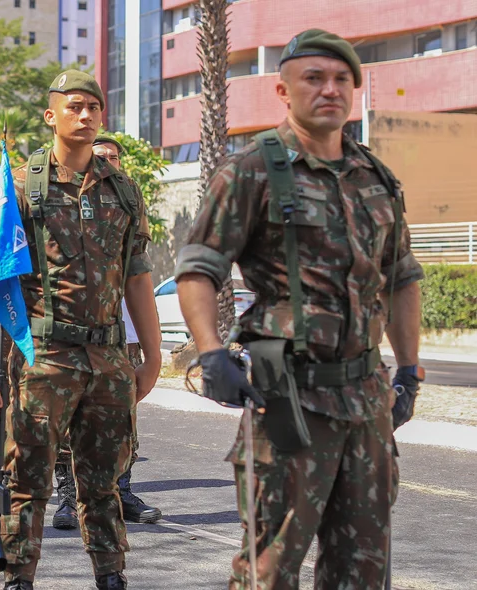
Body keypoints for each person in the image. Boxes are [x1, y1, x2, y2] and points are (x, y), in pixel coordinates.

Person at [175, 30, 424, 588]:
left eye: (341, 80)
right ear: (284, 91)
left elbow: (403, 276)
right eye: (314, 78)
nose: (330, 90)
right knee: (270, 568)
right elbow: (198, 267)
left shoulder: (377, 177)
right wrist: (212, 353)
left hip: (367, 399)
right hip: (288, 396)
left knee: (363, 570)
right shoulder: (251, 171)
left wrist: (409, 368)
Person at [0, 70, 162, 590]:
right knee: (28, 480)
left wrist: (153, 355)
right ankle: (18, 578)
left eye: (94, 107)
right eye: (75, 106)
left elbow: (137, 275)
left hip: (107, 358)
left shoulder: (122, 187)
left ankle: (110, 575)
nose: (86, 115)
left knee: (104, 483)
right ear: (51, 115)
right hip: (43, 355)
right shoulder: (20, 186)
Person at [92, 134, 162, 524]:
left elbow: (139, 272)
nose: (107, 161)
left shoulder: (128, 200)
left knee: (124, 419)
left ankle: (123, 491)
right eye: (100, 155)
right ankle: (69, 495)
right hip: (75, 334)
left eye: (113, 157)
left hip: (124, 334)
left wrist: (153, 351)